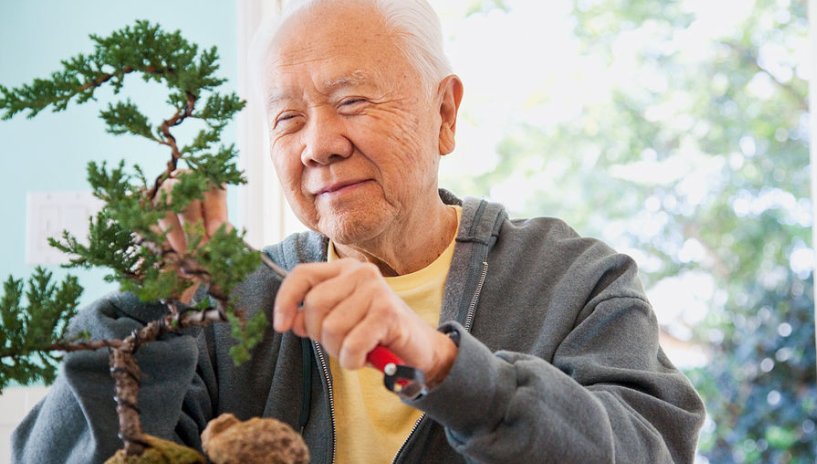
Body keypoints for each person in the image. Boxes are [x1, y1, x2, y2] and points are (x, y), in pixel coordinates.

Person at [12, 0, 706, 462]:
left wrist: (441, 365)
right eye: (287, 119)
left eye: (351, 101)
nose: (317, 144)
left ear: (444, 114)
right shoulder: (234, 307)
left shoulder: (578, 282)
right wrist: (149, 303)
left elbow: (651, 449)